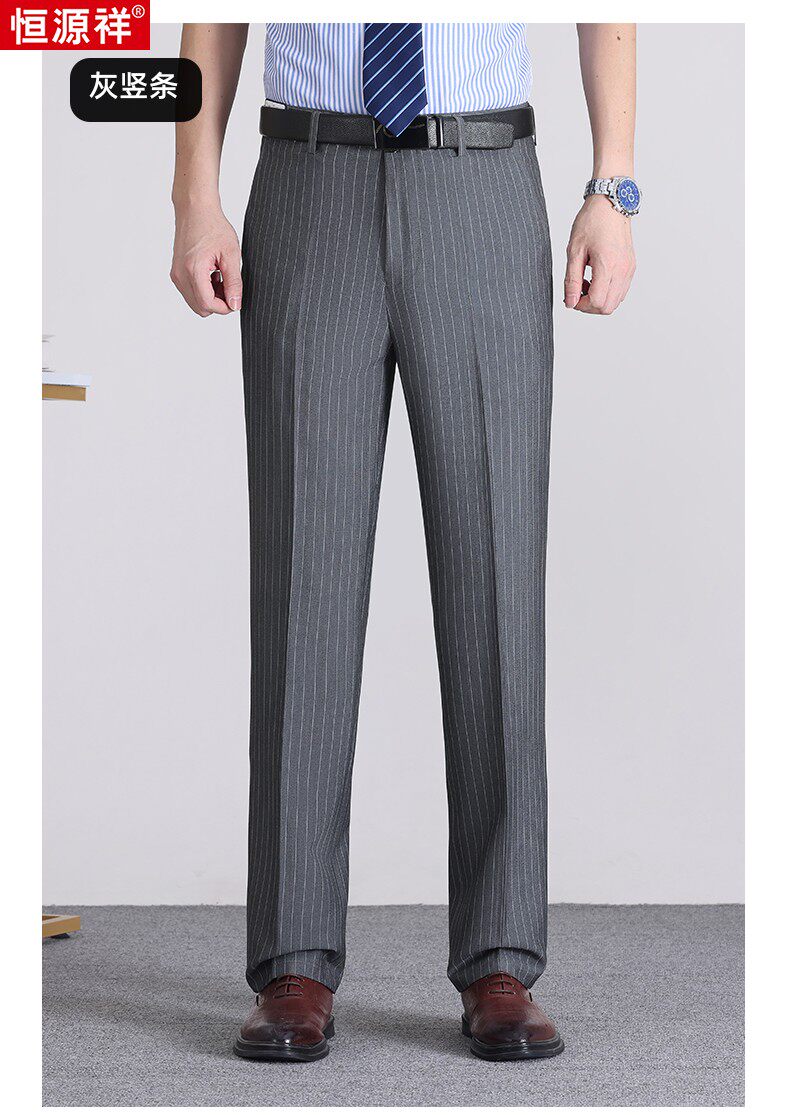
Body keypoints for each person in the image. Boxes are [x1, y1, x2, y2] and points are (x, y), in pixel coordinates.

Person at [171, 22, 637, 1063]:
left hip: (480, 177)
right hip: (308, 177)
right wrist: (194, 195)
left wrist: (612, 188)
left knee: (496, 577)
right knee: (301, 581)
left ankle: (502, 958)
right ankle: (292, 960)